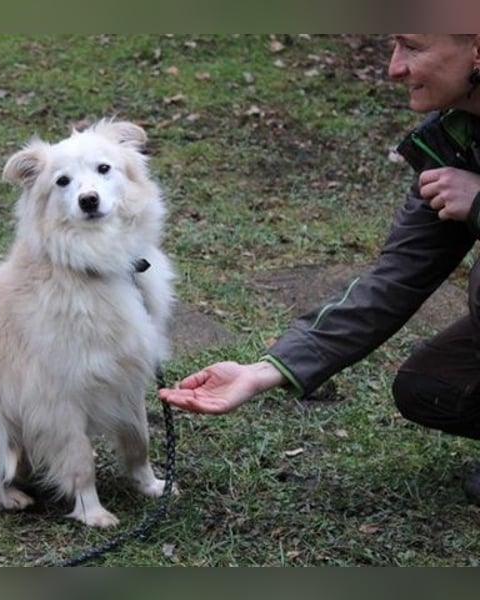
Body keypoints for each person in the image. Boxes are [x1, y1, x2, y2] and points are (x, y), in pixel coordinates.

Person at [159, 34, 480, 504]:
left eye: (413, 47)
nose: (393, 68)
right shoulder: (455, 136)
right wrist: (264, 370)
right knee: (434, 386)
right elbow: (397, 276)